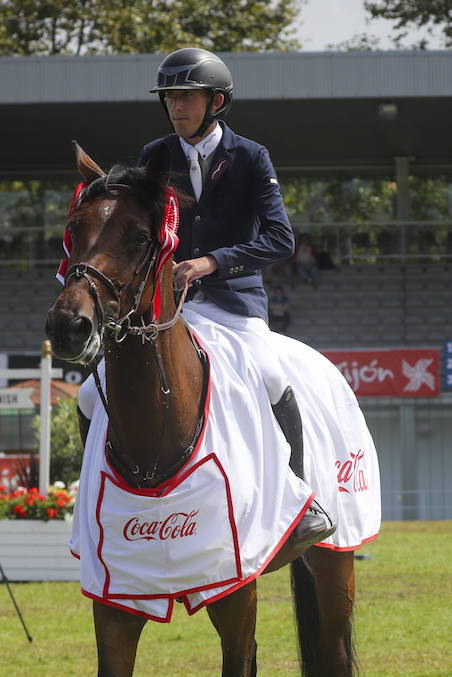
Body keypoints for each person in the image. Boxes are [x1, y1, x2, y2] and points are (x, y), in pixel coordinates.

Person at [138, 46, 332, 550]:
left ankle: (300, 500)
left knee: (270, 374)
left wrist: (212, 262)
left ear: (215, 101)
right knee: (95, 392)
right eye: (169, 98)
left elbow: (279, 239)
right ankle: (105, 495)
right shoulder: (155, 156)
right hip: (171, 304)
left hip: (234, 302)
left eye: (186, 97)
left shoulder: (250, 156)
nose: (175, 107)